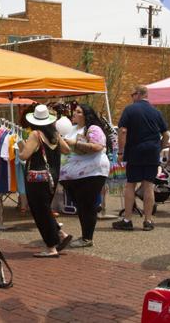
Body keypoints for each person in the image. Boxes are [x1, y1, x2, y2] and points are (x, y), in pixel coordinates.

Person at [18, 105, 73, 257]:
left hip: (37, 178)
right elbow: (67, 149)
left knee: (39, 211)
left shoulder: (35, 134)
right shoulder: (54, 134)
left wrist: (20, 146)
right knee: (45, 209)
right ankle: (60, 234)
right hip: (53, 176)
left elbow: (24, 155)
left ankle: (51, 246)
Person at [112, 85, 169, 232]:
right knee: (148, 186)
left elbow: (123, 131)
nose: (131, 97)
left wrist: (120, 152)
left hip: (135, 151)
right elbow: (167, 134)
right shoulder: (156, 112)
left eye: (132, 94)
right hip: (152, 152)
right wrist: (160, 147)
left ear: (138, 94)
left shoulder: (130, 110)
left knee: (131, 184)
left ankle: (127, 220)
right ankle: (148, 221)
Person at [59, 104, 111, 248]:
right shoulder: (72, 129)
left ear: (86, 115)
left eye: (78, 112)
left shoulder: (93, 128)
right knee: (80, 206)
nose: (74, 114)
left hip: (91, 173)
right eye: (74, 111)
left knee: (87, 205)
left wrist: (75, 143)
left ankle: (87, 238)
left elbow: (97, 147)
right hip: (73, 176)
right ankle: (85, 236)